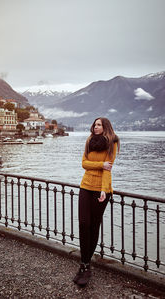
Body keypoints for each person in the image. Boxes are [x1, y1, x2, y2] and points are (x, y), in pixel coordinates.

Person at [73, 117, 120, 287]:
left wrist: (104, 190)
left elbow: (109, 168)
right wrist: (100, 164)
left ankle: (85, 266)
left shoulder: (112, 142)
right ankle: (84, 263)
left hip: (101, 190)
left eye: (99, 125)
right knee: (84, 224)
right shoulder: (89, 141)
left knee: (93, 226)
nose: (95, 127)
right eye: (94, 124)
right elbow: (84, 163)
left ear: (105, 127)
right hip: (85, 186)